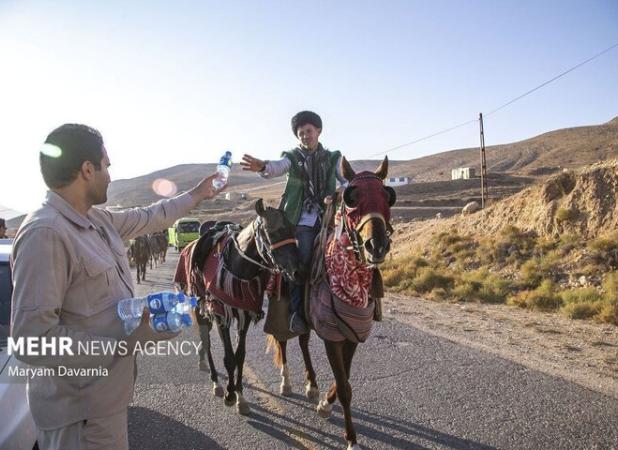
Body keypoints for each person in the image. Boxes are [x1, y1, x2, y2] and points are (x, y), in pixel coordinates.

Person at [10, 123, 224, 450]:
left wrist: (197, 194)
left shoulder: (97, 220)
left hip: (101, 405)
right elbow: (33, 341)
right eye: (106, 165)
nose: (110, 174)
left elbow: (151, 216)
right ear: (86, 169)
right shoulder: (46, 233)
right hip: (78, 419)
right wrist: (128, 337)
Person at [241, 111, 347, 334]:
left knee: (349, 253)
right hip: (303, 221)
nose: (306, 136)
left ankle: (352, 304)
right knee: (303, 261)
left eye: (309, 131)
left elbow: (347, 180)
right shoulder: (292, 157)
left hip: (329, 218)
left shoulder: (334, 157)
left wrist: (338, 193)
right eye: (301, 133)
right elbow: (277, 167)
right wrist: (262, 167)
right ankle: (298, 313)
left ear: (318, 131)